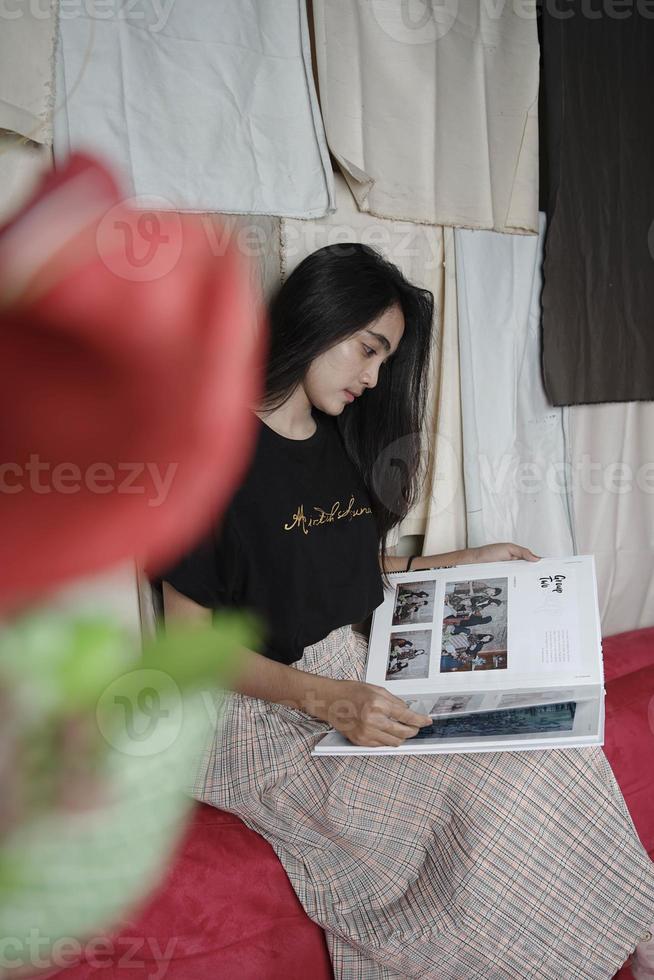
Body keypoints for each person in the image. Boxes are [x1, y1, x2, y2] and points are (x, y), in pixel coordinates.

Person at [155, 244, 654, 978]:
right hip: (255, 713)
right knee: (499, 784)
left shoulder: (331, 442)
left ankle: (636, 937)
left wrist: (461, 562)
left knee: (550, 743)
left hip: (346, 674)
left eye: (385, 360)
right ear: (318, 318)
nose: (373, 377)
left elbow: (328, 571)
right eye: (368, 350)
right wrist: (328, 698)